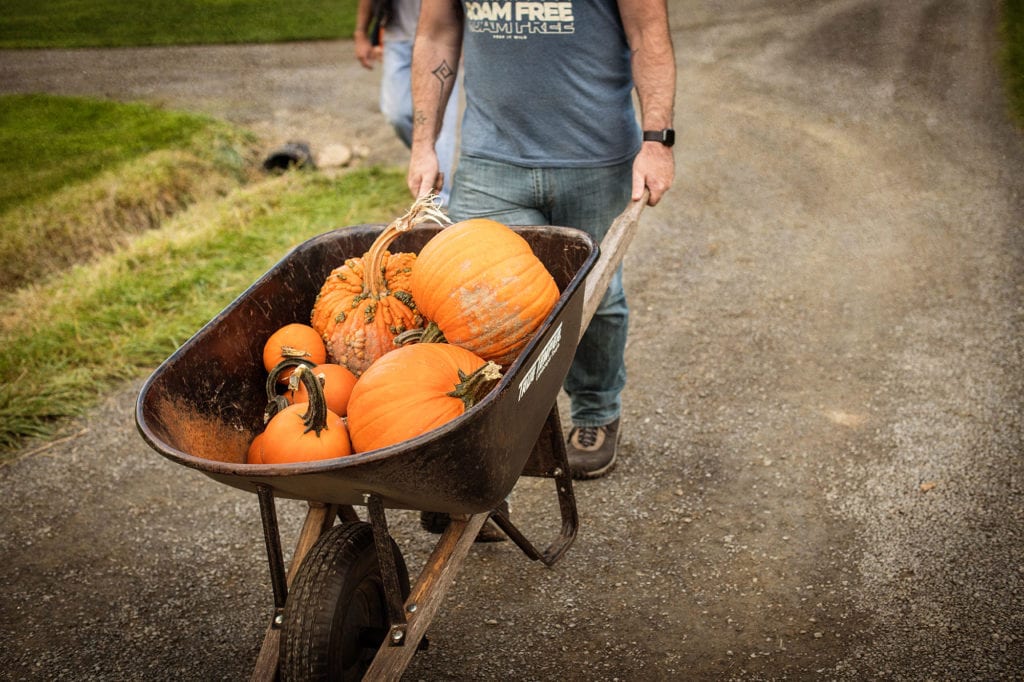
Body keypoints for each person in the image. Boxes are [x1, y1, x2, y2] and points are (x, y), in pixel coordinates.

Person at [407, 1, 676, 480]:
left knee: (598, 300)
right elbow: (436, 33)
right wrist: (423, 144)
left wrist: (656, 142)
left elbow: (648, 34)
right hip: (491, 160)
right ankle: (478, 456)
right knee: (471, 305)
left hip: (596, 159)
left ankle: (595, 413)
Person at [355, 0, 460, 204]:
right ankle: (428, 169)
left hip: (445, 43)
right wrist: (361, 33)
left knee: (441, 123)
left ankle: (437, 201)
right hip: (398, 37)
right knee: (397, 114)